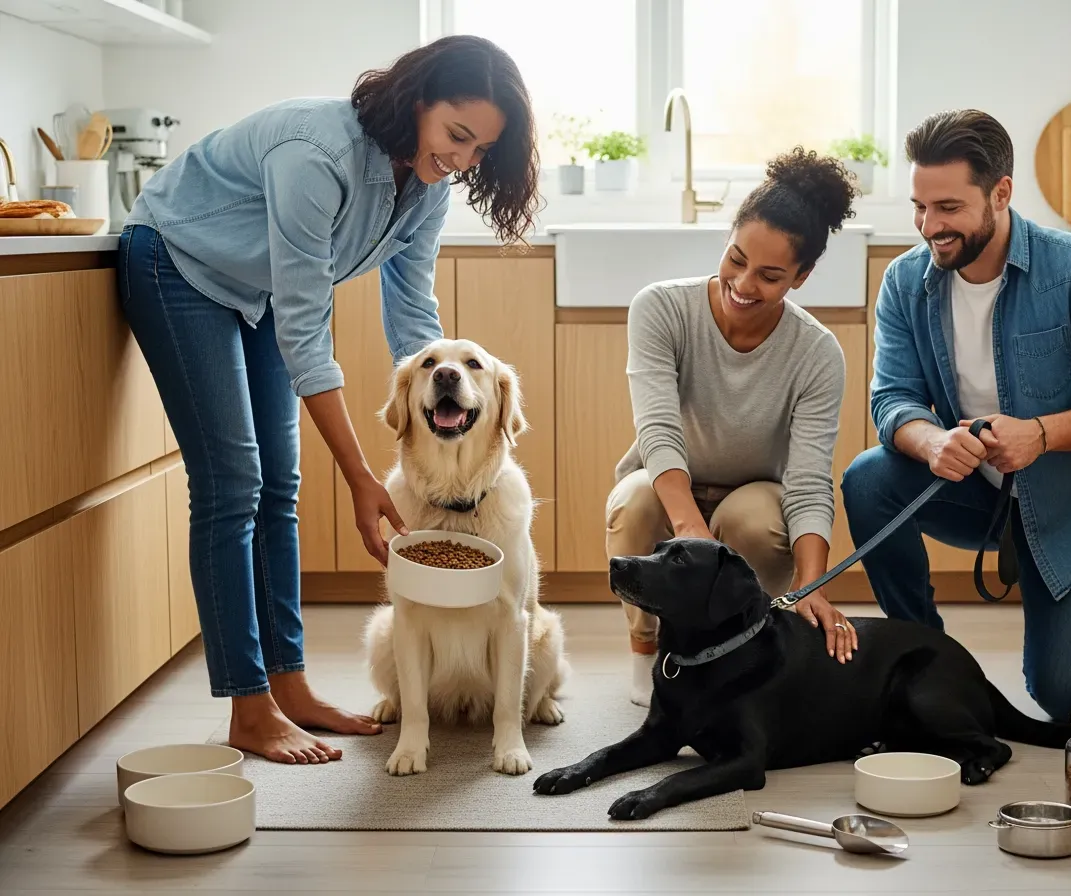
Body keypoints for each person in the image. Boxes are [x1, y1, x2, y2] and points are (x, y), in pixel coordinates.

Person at [115, 35, 540, 765]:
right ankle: (248, 706)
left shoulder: (428, 187)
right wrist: (363, 478)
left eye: (480, 151)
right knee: (233, 483)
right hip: (177, 263)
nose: (463, 160)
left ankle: (291, 687)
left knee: (280, 485)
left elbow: (412, 316)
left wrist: (442, 390)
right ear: (416, 102)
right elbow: (309, 333)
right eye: (456, 135)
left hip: (256, 288)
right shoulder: (317, 154)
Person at [840, 109, 1071, 722]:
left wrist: (1041, 434)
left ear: (1001, 193)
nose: (930, 226)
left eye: (949, 208)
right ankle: (925, 654)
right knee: (869, 477)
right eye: (919, 206)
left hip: (1070, 514)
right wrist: (931, 440)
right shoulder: (906, 282)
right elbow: (892, 399)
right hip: (971, 497)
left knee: (1066, 698)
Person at [607, 147, 860, 707]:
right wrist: (689, 527)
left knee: (761, 525)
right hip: (668, 478)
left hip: (754, 491)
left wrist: (811, 585)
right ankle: (646, 649)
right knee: (636, 505)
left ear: (803, 274)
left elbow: (810, 479)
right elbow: (658, 431)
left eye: (770, 276)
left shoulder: (817, 352)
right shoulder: (662, 309)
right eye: (735, 258)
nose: (743, 284)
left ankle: (731, 652)